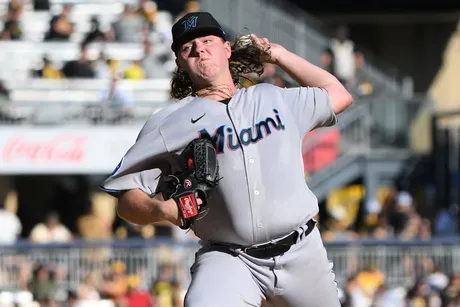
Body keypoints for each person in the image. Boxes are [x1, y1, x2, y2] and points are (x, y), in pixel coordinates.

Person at [100, 11, 353, 307]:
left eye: (208, 40)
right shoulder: (169, 124)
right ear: (180, 62)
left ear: (226, 49)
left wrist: (279, 55)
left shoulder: (275, 99)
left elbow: (339, 94)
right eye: (187, 48)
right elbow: (127, 201)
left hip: (301, 252)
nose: (199, 49)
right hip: (230, 259)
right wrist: (163, 210)